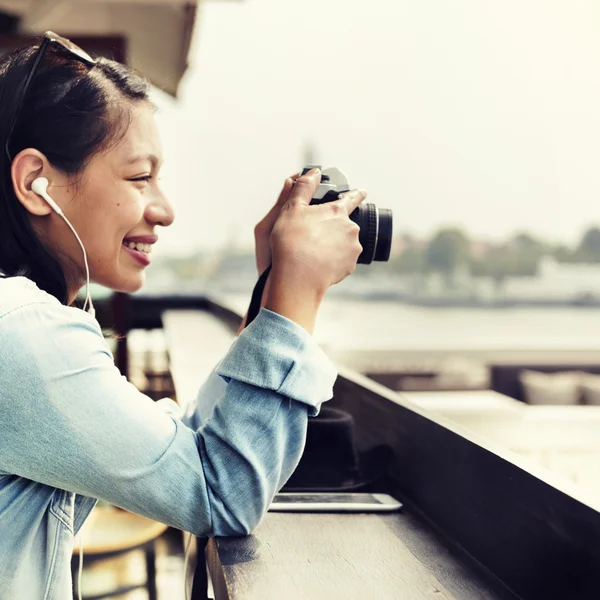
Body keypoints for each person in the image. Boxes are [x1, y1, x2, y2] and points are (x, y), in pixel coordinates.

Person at [0, 32, 366, 599]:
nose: (164, 210)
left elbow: (181, 452)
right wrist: (298, 296)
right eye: (139, 176)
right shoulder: (22, 331)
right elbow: (223, 495)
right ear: (35, 183)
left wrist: (270, 296)